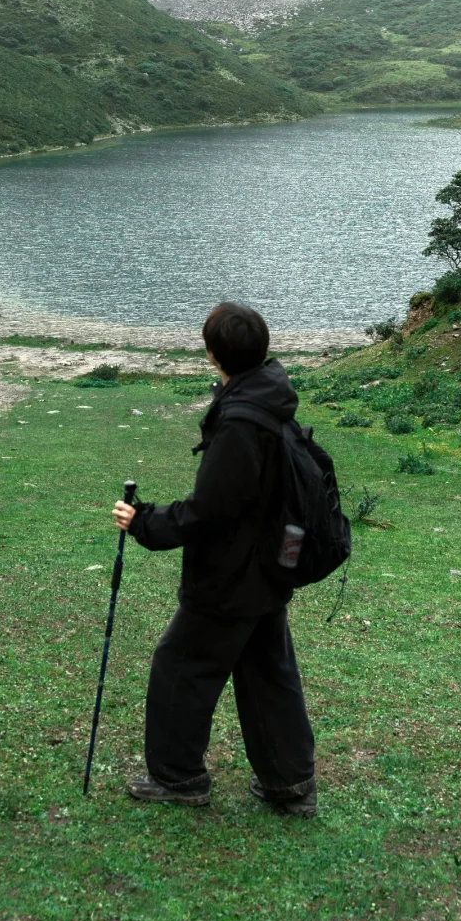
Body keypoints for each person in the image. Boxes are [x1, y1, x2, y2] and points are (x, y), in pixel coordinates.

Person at [112, 301, 317, 817]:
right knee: (268, 672)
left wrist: (143, 522)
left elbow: (210, 510)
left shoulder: (243, 421)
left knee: (181, 664)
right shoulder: (268, 395)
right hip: (268, 566)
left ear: (212, 355)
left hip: (234, 575)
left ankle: (177, 777)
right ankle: (290, 783)